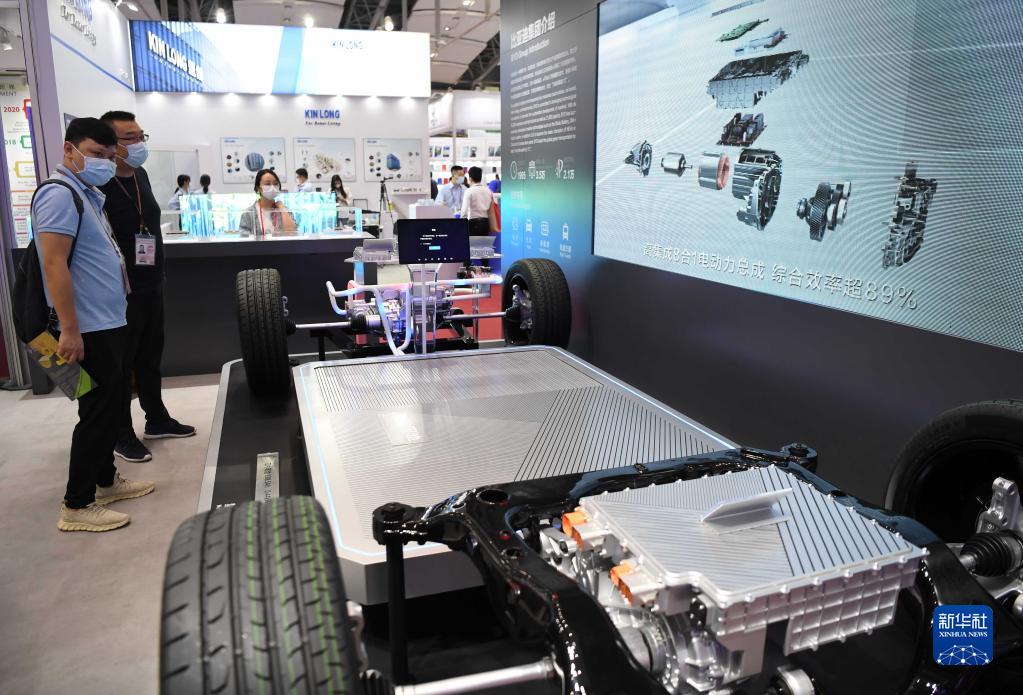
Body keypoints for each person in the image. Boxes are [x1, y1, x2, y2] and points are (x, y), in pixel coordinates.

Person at [33, 117, 153, 532]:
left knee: (108, 404)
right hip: (86, 327)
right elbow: (53, 264)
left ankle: (105, 481)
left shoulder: (86, 193)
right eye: (95, 154)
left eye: (107, 155)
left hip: (107, 320)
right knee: (98, 412)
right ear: (69, 150)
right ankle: (77, 503)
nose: (103, 162)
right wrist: (69, 329)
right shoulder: (58, 194)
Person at [99, 110, 196, 464]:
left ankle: (156, 419)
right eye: (130, 137)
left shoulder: (139, 175)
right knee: (122, 365)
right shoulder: (100, 185)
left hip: (152, 283)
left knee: (150, 357)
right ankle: (120, 433)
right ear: (110, 143)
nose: (139, 143)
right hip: (120, 291)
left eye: (142, 136)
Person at [239, 169, 297, 237]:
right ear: (258, 188)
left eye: (275, 184)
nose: (272, 187)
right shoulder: (248, 213)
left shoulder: (284, 210)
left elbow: (292, 233)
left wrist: (282, 208)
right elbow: (244, 239)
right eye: (267, 184)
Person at [460, 166, 497, 237]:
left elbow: (464, 212)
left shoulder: (469, 191)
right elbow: (491, 210)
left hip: (473, 223)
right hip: (486, 223)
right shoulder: (488, 190)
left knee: (472, 243)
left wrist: (462, 225)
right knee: (484, 243)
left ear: (470, 178)